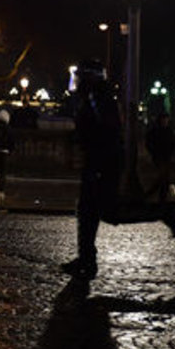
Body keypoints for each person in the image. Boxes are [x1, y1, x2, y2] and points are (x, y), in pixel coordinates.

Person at [61, 60, 122, 281]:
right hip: (99, 163)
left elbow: (102, 132)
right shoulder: (99, 98)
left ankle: (87, 259)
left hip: (98, 164)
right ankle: (86, 258)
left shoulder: (97, 101)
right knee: (89, 213)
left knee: (89, 213)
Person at [144, 113, 175, 204]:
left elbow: (173, 142)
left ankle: (159, 195)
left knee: (164, 177)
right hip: (160, 155)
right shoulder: (158, 131)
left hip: (165, 155)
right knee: (163, 176)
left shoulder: (167, 131)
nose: (165, 121)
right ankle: (159, 196)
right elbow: (149, 142)